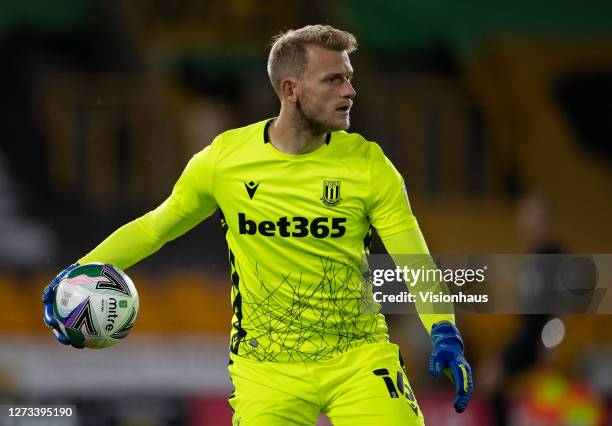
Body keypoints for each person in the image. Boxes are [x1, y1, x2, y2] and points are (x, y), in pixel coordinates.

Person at [42, 25, 472, 425]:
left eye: (349, 78)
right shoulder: (225, 160)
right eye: (333, 80)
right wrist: (75, 274)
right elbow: (155, 227)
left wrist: (444, 328)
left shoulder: (369, 165)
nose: (350, 91)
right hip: (266, 371)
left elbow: (413, 256)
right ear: (290, 89)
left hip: (359, 359)